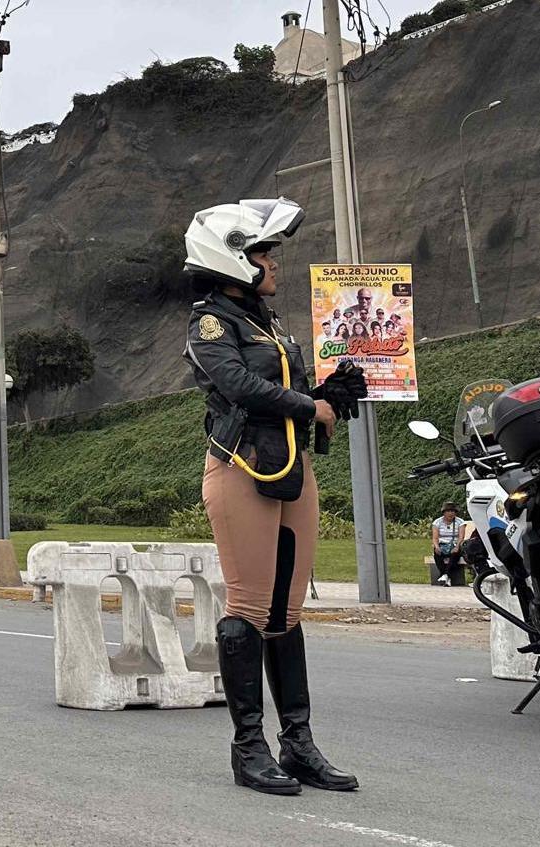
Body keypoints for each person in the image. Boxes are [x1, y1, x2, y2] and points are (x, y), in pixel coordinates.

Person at [184, 197, 363, 796]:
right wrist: (307, 404)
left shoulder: (268, 321)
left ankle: (299, 745)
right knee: (250, 609)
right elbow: (235, 384)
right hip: (242, 468)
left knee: (287, 613)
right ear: (232, 257)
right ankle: (248, 748)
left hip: (292, 466)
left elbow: (283, 386)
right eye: (263, 252)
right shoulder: (210, 322)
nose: (274, 263)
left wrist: (329, 392)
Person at [431, 504, 469, 586]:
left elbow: (461, 537)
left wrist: (457, 547)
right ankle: (446, 576)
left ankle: (445, 575)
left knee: (455, 554)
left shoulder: (460, 522)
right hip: (442, 544)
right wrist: (437, 547)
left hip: (455, 544)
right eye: (448, 511)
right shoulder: (437, 522)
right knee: (437, 553)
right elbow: (435, 538)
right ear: (444, 513)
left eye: (452, 511)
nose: (450, 513)